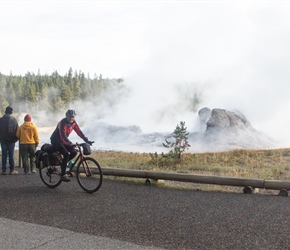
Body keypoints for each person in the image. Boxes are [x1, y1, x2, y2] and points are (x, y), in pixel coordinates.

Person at [50, 109, 92, 182]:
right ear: (66, 116)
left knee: (74, 152)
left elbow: (79, 132)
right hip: (56, 140)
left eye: (72, 117)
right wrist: (70, 143)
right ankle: (63, 174)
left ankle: (63, 163)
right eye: (69, 117)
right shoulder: (62, 123)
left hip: (63, 141)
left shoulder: (74, 123)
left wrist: (87, 140)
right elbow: (62, 136)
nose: (71, 118)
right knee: (66, 154)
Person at [0, 106, 19, 175]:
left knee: (4, 155)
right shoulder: (13, 120)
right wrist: (16, 139)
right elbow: (17, 130)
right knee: (11, 155)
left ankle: (4, 170)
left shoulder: (1, 120)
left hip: (3, 140)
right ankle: (12, 170)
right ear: (11, 112)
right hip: (11, 140)